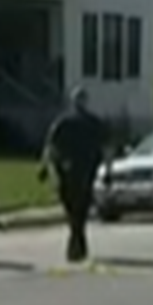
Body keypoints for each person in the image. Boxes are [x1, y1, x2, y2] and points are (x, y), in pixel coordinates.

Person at [41, 86, 111, 264]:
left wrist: (44, 166)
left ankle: (76, 242)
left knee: (74, 208)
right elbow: (51, 146)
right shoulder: (71, 123)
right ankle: (78, 241)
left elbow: (50, 147)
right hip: (79, 171)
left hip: (73, 171)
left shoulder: (67, 122)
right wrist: (108, 170)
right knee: (79, 208)